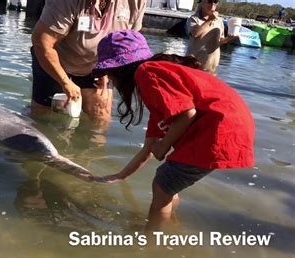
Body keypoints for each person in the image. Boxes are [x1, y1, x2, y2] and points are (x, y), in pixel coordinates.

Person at [92, 30, 255, 230]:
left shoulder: (147, 73)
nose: (112, 82)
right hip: (233, 123)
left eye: (110, 75)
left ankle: (151, 245)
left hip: (220, 127)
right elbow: (149, 148)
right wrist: (121, 175)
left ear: (120, 70)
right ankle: (171, 227)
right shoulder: (160, 87)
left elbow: (187, 113)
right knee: (168, 184)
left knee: (161, 185)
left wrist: (164, 145)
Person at [31, 0, 147, 130]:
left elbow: (130, 42)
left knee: (100, 121)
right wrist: (65, 83)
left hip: (98, 66)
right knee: (42, 120)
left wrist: (108, 70)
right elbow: (42, 42)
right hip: (56, 61)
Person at [186, 0, 238, 75]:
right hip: (194, 64)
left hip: (211, 66)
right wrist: (209, 20)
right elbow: (195, 34)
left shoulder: (219, 21)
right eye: (210, 1)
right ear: (202, 3)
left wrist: (228, 39)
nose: (213, 4)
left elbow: (218, 42)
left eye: (215, 1)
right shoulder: (193, 19)